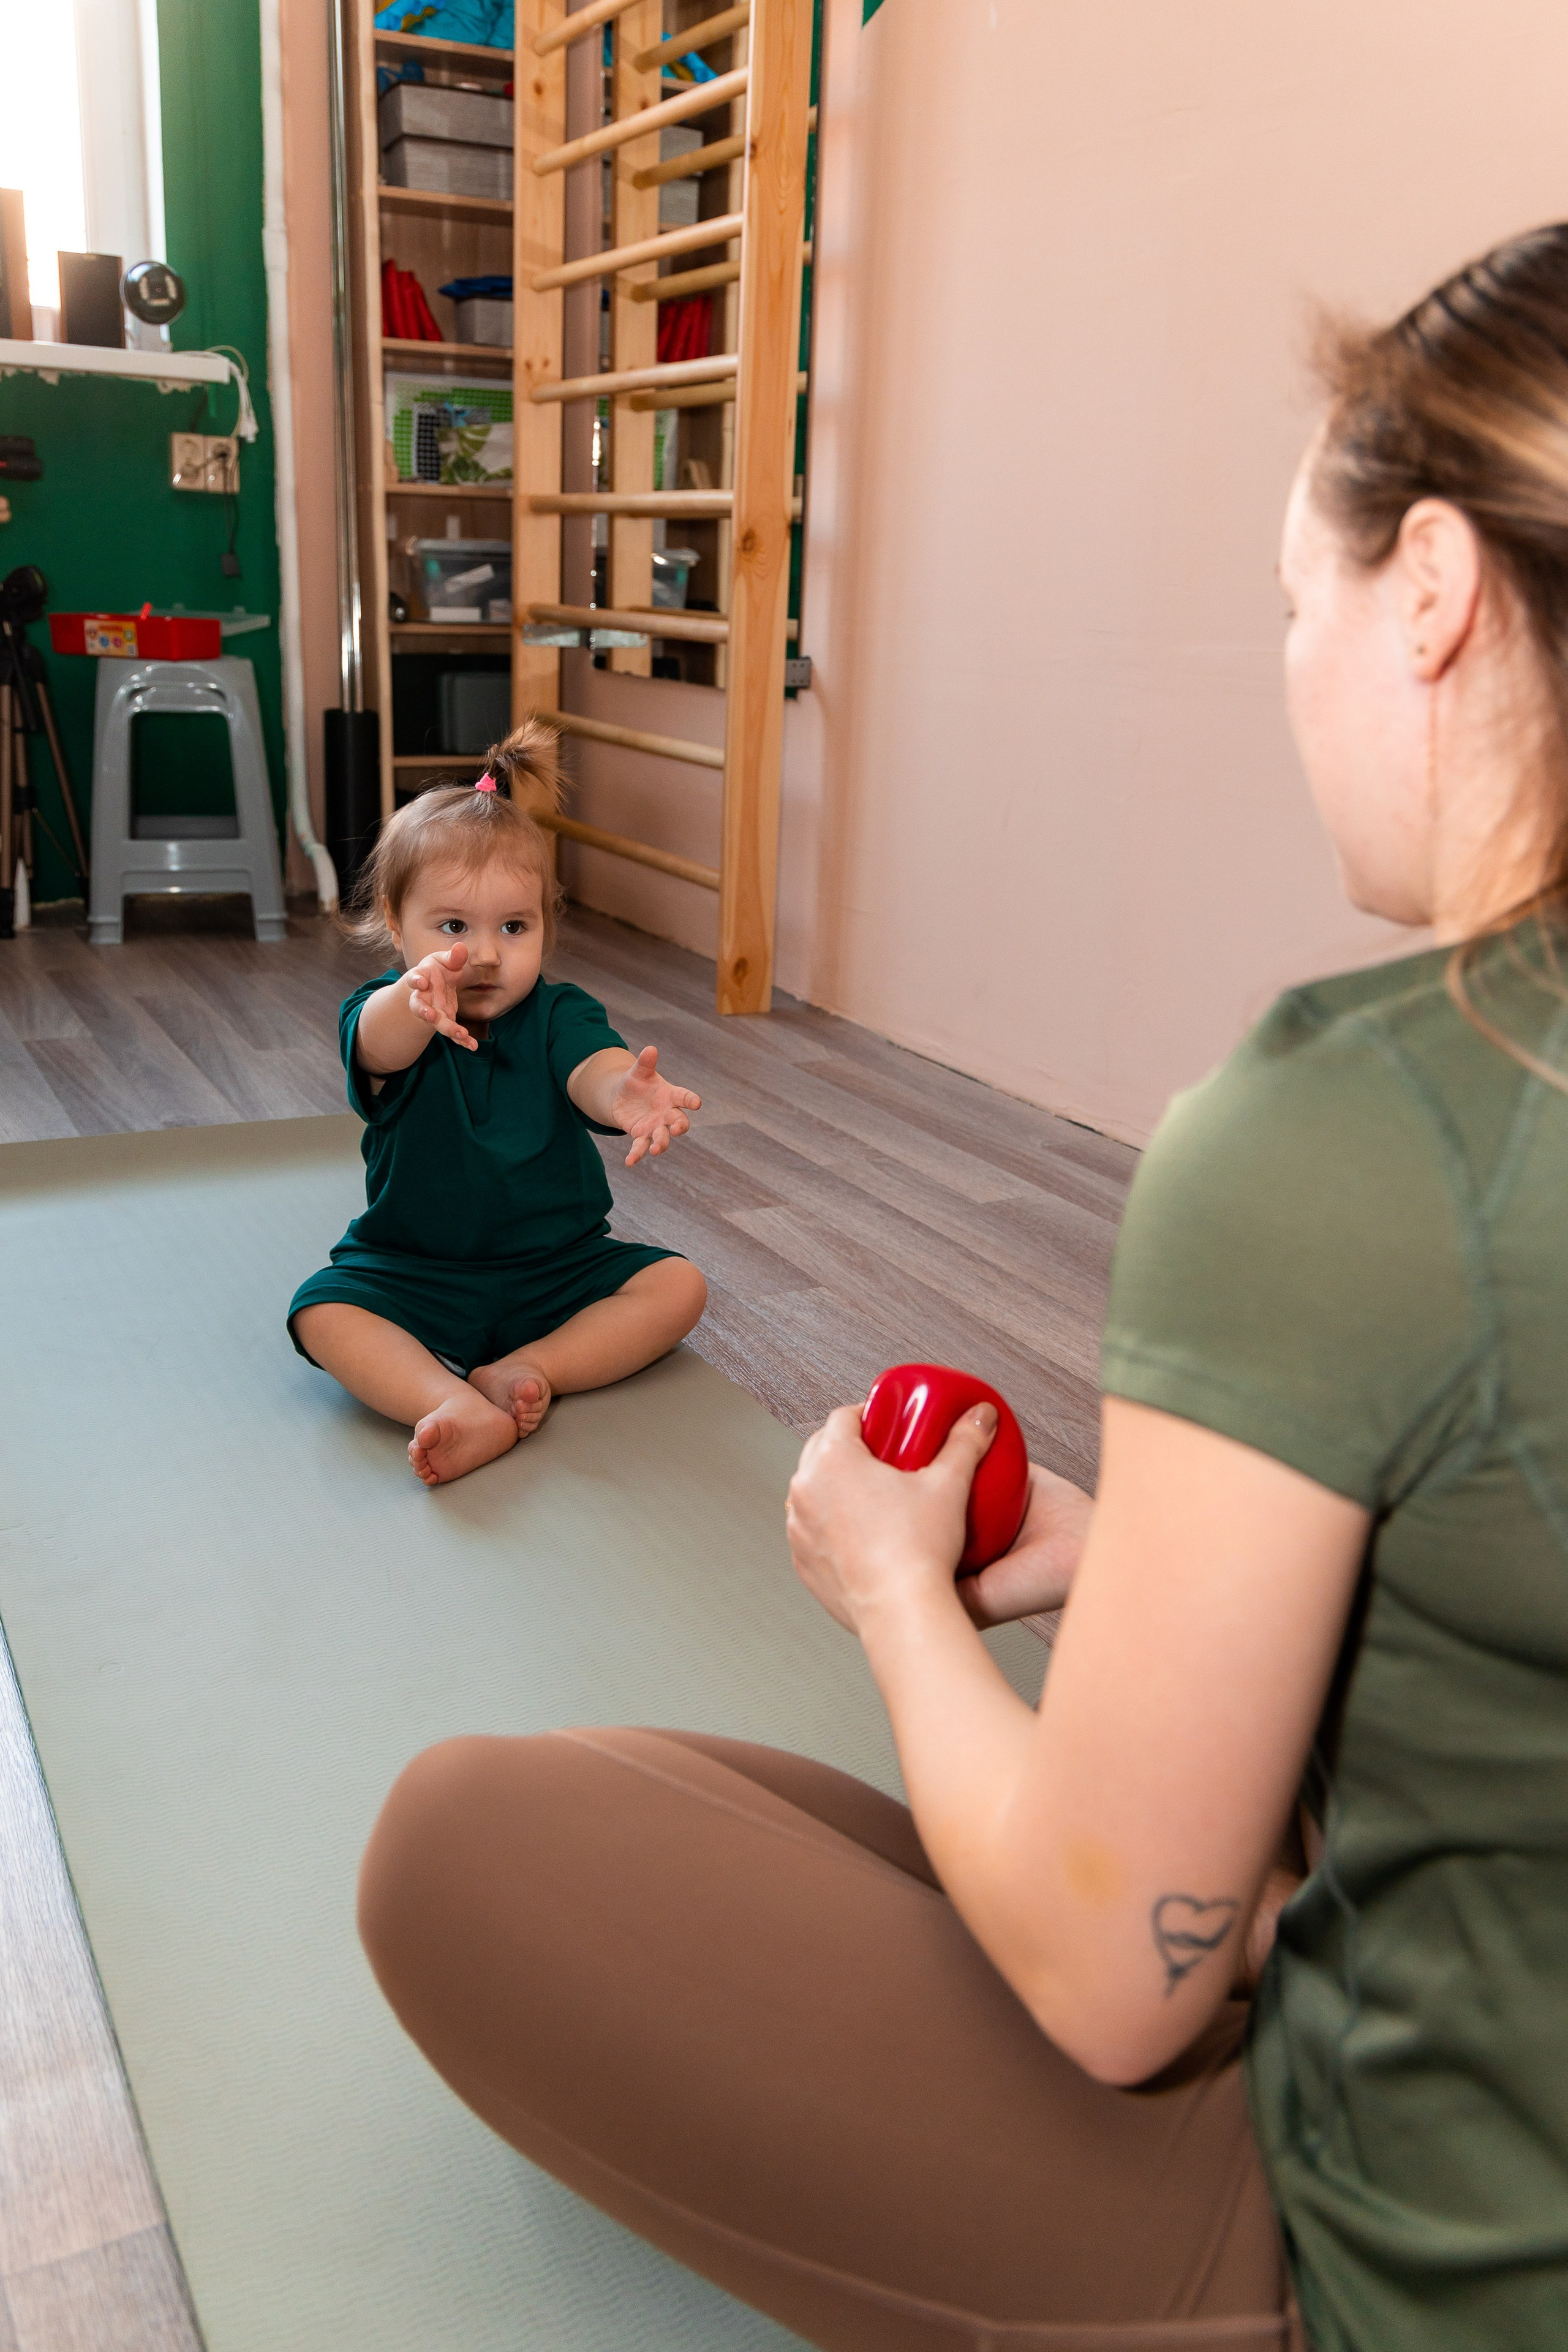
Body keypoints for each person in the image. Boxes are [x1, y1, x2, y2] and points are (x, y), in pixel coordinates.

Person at [356, 223, 1568, 2347]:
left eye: (1302, 606)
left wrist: (896, 1598)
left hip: (1403, 2254)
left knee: (463, 1843)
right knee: (677, 1796)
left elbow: (1120, 1991)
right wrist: (1137, 1565)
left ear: (1439, 595)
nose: (1289, 668)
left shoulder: (1352, 1132)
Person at [288, 722, 707, 1487]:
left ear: (547, 923)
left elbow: (593, 1066)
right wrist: (411, 997)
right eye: (452, 928)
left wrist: (624, 1094)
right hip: (413, 1267)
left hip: (556, 1267)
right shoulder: (385, 1013)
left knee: (679, 1285)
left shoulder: (557, 1012)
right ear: (395, 922)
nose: (484, 954)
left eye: (514, 927)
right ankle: (447, 1402)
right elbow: (378, 1051)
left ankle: (527, 1369)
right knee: (322, 1311)